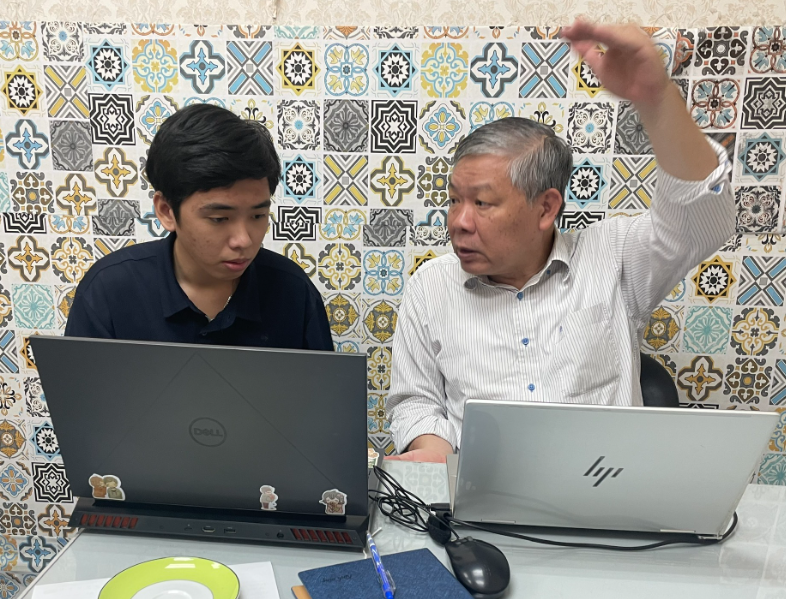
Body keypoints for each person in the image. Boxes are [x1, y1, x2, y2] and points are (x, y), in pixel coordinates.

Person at [386, 20, 735, 463]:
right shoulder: (431, 286)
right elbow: (415, 400)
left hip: (601, 490)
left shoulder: (614, 256)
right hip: (480, 490)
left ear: (546, 208)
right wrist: (435, 452)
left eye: (483, 203)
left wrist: (657, 100)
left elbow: (703, 220)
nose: (459, 222)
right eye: (455, 200)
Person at [65, 104, 333, 351]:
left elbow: (320, 387)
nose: (243, 240)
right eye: (219, 219)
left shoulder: (292, 292)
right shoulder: (108, 292)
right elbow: (82, 388)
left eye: (257, 215)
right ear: (166, 211)